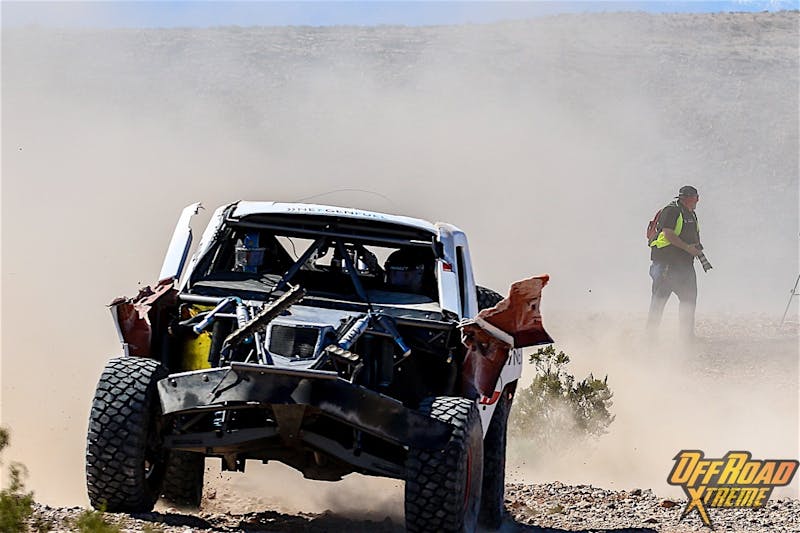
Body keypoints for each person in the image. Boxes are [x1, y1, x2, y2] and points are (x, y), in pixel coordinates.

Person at [647, 185, 702, 338]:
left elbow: (693, 235)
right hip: (666, 264)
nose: (696, 202)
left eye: (697, 198)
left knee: (689, 300)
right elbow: (668, 234)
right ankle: (650, 337)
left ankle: (686, 336)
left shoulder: (691, 214)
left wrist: (697, 249)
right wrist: (687, 248)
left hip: (685, 266)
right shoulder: (671, 211)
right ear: (686, 199)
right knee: (659, 300)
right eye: (694, 198)